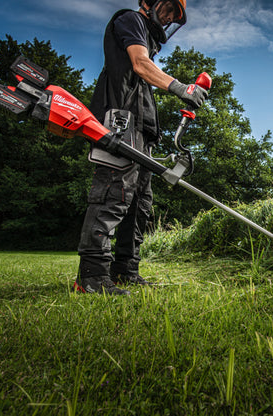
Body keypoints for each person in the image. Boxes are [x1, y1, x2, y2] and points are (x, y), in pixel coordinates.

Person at [73, 0, 208, 295]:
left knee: (139, 204)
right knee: (113, 193)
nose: (170, 16)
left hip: (142, 132)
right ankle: (92, 277)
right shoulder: (131, 20)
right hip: (119, 121)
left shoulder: (149, 40)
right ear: (149, 2)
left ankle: (125, 270)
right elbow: (140, 64)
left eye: (175, 14)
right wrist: (181, 88)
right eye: (169, 7)